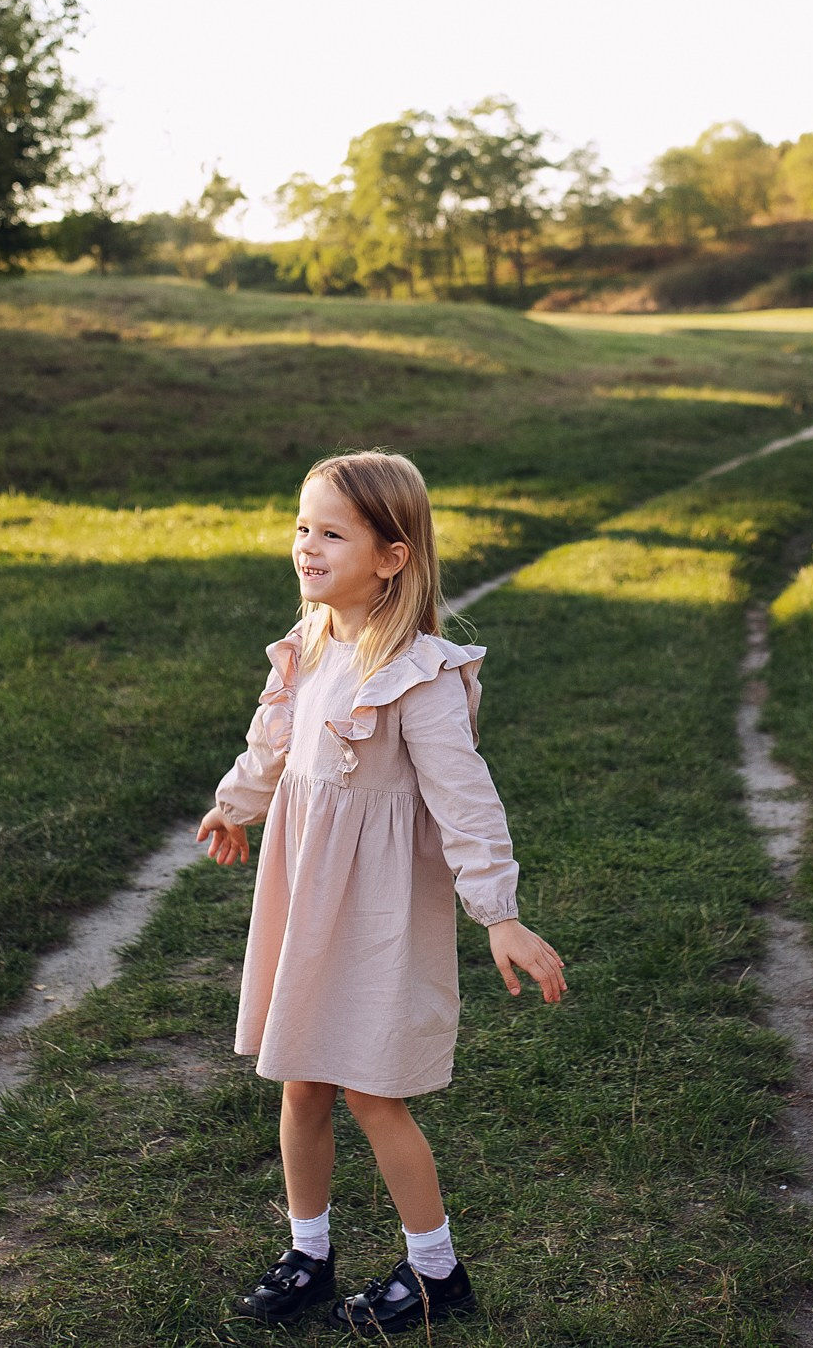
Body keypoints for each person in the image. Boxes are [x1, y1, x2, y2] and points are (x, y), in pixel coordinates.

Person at [194, 449, 568, 1333]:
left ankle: (436, 1269)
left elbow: (466, 797)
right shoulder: (312, 647)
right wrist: (233, 805)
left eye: (331, 532)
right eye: (300, 526)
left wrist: (500, 913)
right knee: (300, 1079)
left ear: (392, 555)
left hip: (376, 914)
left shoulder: (420, 675)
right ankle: (308, 1255)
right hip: (304, 895)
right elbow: (272, 747)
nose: (306, 546)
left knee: (371, 1091)